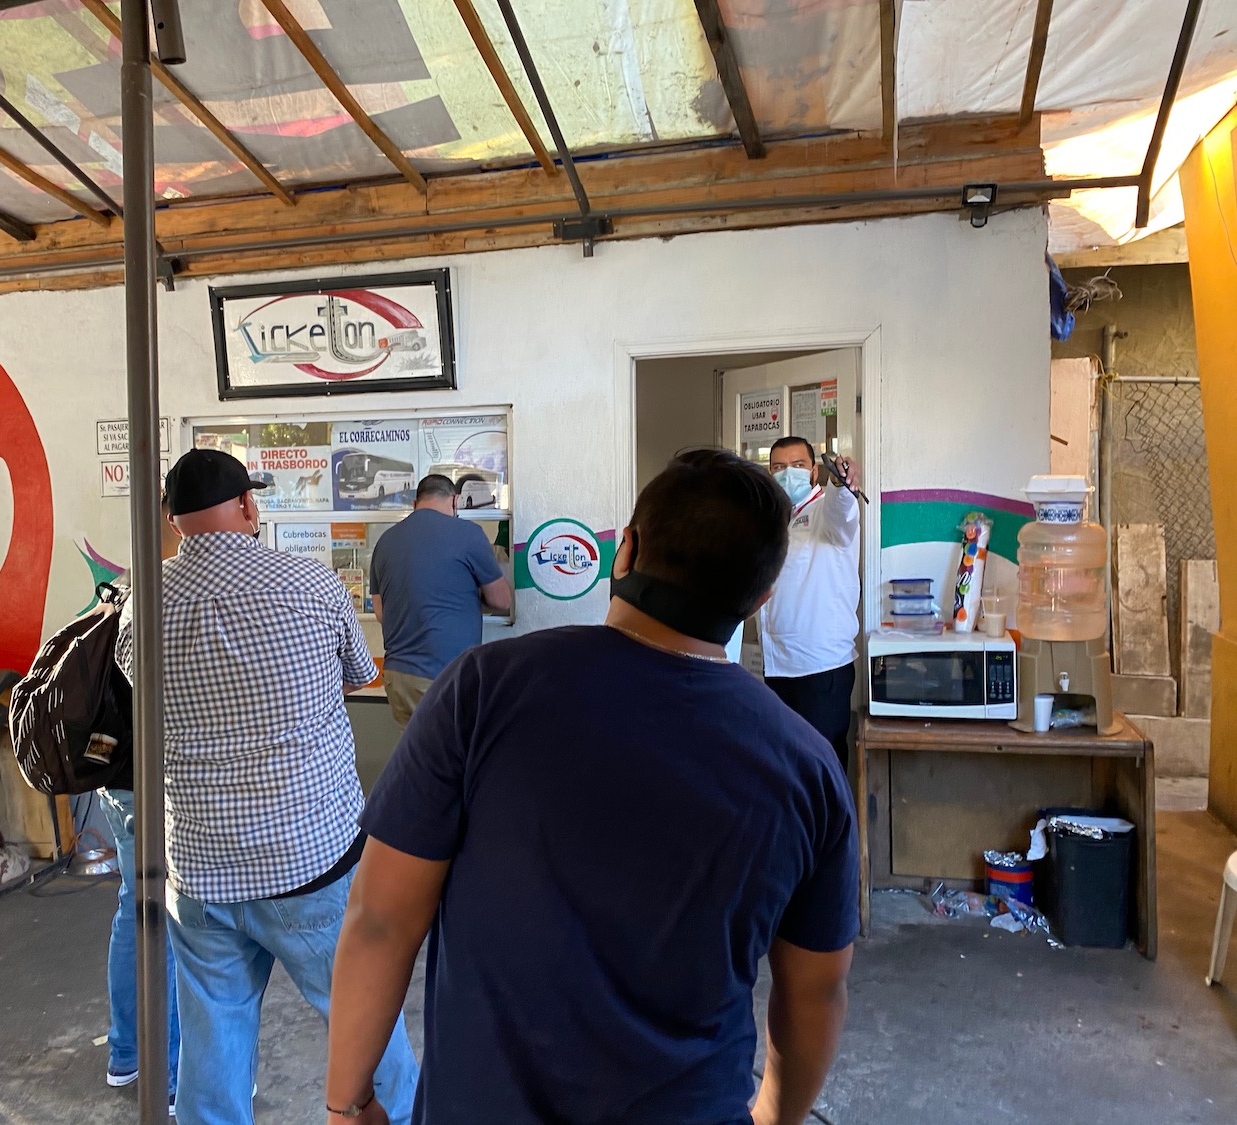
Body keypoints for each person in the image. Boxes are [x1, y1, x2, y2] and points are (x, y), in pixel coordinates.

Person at [326, 449, 859, 1125]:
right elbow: (818, 990)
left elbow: (380, 917)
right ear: (763, 594)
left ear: (626, 549)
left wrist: (349, 1101)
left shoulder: (485, 689)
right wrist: (774, 1118)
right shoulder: (807, 767)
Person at [116, 448, 417, 1125]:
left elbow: (143, 689)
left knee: (211, 1040)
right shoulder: (310, 584)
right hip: (307, 855)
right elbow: (358, 672)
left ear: (171, 519)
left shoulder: (144, 604)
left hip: (198, 865)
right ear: (249, 505)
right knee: (362, 1014)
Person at [98, 494, 183, 1101]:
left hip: (117, 781)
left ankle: (126, 1053)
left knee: (135, 907)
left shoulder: (120, 596)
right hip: (159, 786)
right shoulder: (169, 599)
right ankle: (176, 1075)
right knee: (176, 921)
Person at [368, 473, 512, 727]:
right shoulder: (469, 534)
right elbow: (501, 600)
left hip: (397, 677)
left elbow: (381, 613)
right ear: (455, 500)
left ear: (415, 504)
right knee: (455, 760)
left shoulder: (386, 541)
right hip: (444, 676)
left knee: (417, 760)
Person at [759, 437, 862, 768]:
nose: (787, 473)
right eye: (778, 467)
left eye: (797, 466)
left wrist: (840, 484)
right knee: (784, 766)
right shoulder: (772, 521)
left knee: (820, 768)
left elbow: (841, 508)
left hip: (821, 671)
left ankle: (833, 822)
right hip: (777, 669)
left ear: (814, 472)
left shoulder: (825, 513)